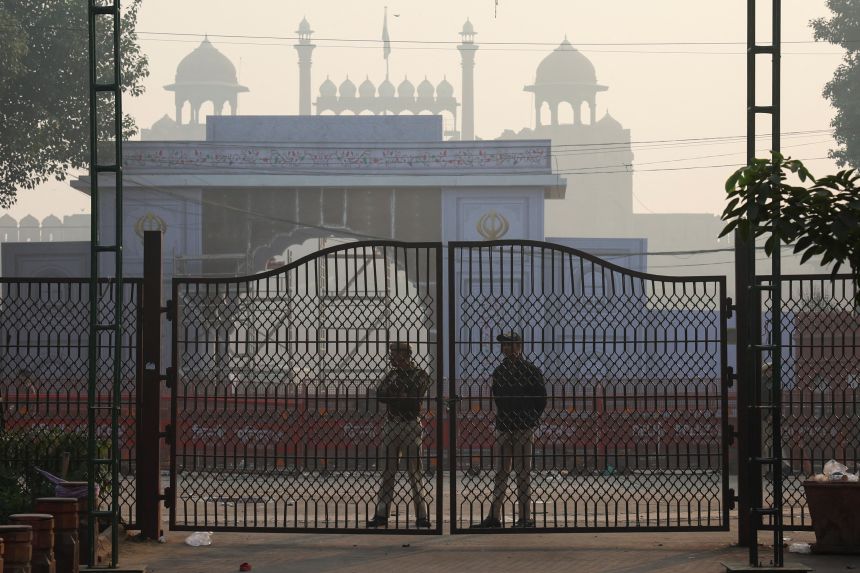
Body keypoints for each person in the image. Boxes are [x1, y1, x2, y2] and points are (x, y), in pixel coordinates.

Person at [472, 332, 547, 529]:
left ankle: (524, 518)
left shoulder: (530, 371)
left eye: (509, 344)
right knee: (501, 472)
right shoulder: (500, 371)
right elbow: (499, 398)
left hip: (522, 426)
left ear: (518, 346)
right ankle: (494, 517)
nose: (505, 348)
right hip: (505, 425)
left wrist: (529, 419)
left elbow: (541, 400)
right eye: (503, 345)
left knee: (522, 473)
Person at [367, 341, 433, 528]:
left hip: (410, 424)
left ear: (405, 354)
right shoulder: (393, 375)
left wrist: (395, 395)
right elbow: (380, 395)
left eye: (394, 353)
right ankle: (381, 514)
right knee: (387, 471)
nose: (391, 357)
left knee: (414, 471)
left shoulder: (420, 375)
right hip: (392, 424)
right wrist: (399, 395)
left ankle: (422, 515)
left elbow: (412, 401)